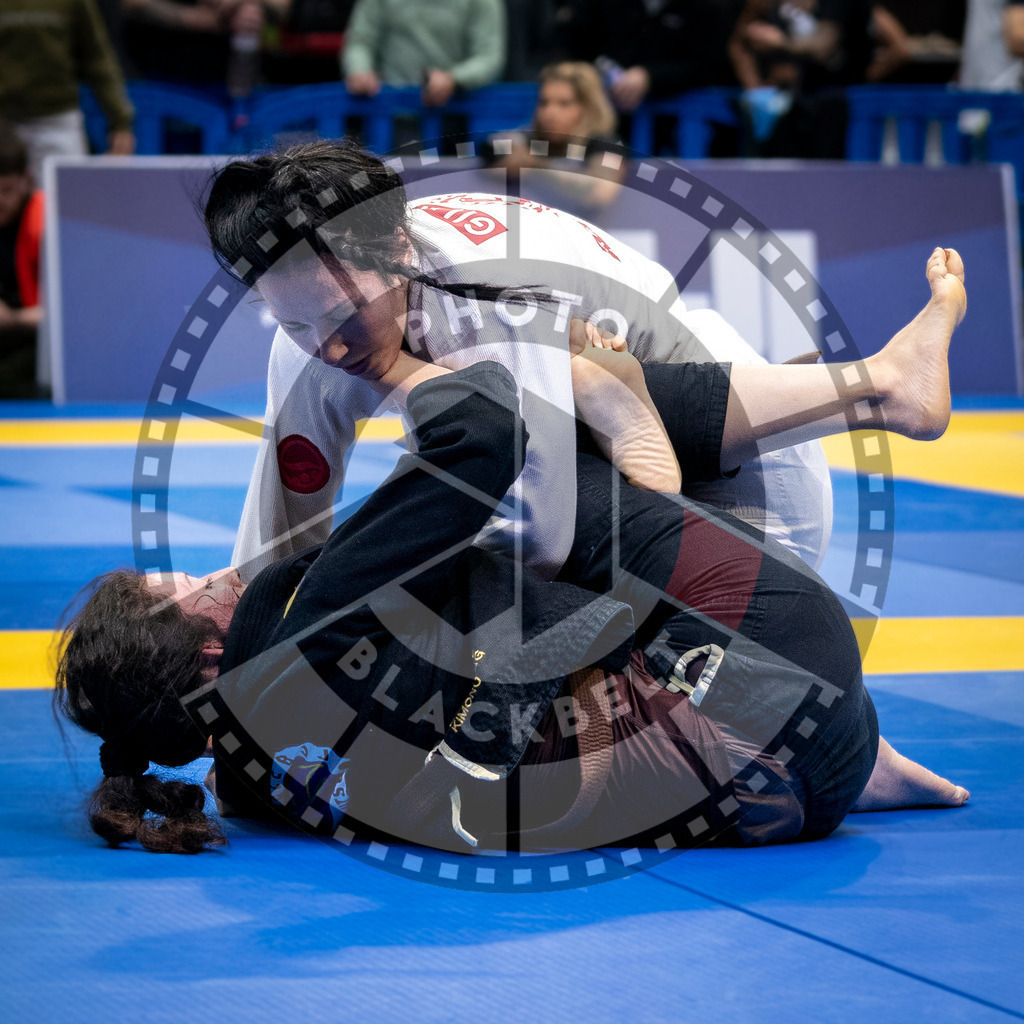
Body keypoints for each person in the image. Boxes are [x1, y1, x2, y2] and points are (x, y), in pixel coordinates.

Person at [54, 267, 970, 852]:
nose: (210, 573)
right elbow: (546, 573)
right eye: (183, 589)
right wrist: (445, 367)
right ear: (204, 657)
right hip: (789, 700)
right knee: (553, 439)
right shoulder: (323, 606)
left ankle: (863, 754)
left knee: (519, 551)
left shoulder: (245, 784)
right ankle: (864, 389)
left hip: (779, 799)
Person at [205, 140, 836, 588]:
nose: (328, 348)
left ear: (397, 250)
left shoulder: (483, 300)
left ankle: (871, 389)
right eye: (291, 322)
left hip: (748, 489)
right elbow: (280, 525)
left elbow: (540, 533)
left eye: (344, 315)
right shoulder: (318, 306)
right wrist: (251, 643)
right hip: (601, 458)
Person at [0, 0, 135, 184]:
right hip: (5, 122)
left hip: (58, 120)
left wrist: (120, 121)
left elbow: (98, 58)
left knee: (71, 201)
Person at [485, 61, 626, 209]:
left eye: (564, 104)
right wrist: (509, 154)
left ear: (588, 107)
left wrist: (535, 165)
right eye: (544, 103)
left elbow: (600, 192)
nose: (550, 113)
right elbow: (495, 145)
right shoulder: (530, 139)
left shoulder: (607, 144)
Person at [341, 0, 506, 107]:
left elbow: (489, 56)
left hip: (460, 112)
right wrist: (360, 71)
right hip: (389, 110)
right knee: (396, 160)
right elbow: (360, 41)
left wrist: (453, 78)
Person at [0, 122, 44, 398]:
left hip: (35, 341)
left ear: (27, 180)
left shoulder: (46, 223)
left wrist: (13, 318)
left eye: (7, 190)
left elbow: (68, 319)